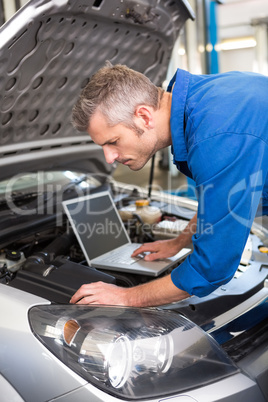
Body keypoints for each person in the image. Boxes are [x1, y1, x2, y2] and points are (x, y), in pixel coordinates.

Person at [70, 62, 268, 307]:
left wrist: (125, 296)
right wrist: (177, 243)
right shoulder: (204, 101)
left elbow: (211, 269)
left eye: (113, 141)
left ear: (143, 116)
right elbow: (222, 203)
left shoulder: (215, 137)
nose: (109, 158)